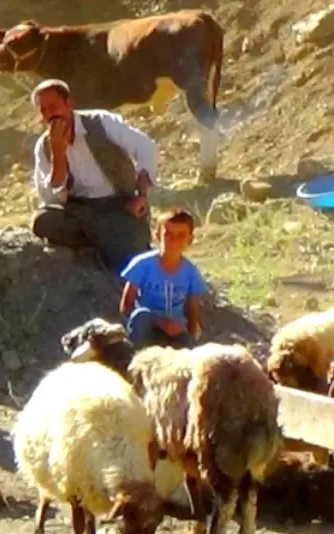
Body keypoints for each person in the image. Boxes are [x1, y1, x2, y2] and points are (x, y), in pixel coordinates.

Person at [29, 78, 158, 272]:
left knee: (129, 255)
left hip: (118, 203)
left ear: (69, 103)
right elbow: (50, 196)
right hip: (80, 210)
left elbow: (146, 147)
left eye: (53, 107)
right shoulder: (44, 146)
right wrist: (58, 154)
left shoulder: (101, 122)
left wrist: (141, 195)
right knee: (42, 221)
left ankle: (106, 242)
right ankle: (106, 239)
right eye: (43, 111)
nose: (50, 115)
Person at [118, 208, 208, 349]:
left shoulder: (191, 272)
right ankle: (136, 357)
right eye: (168, 234)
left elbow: (193, 310)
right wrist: (158, 321)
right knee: (140, 315)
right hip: (148, 327)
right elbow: (126, 305)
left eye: (181, 235)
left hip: (175, 330)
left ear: (190, 240)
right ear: (158, 236)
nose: (174, 240)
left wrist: (190, 335)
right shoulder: (142, 264)